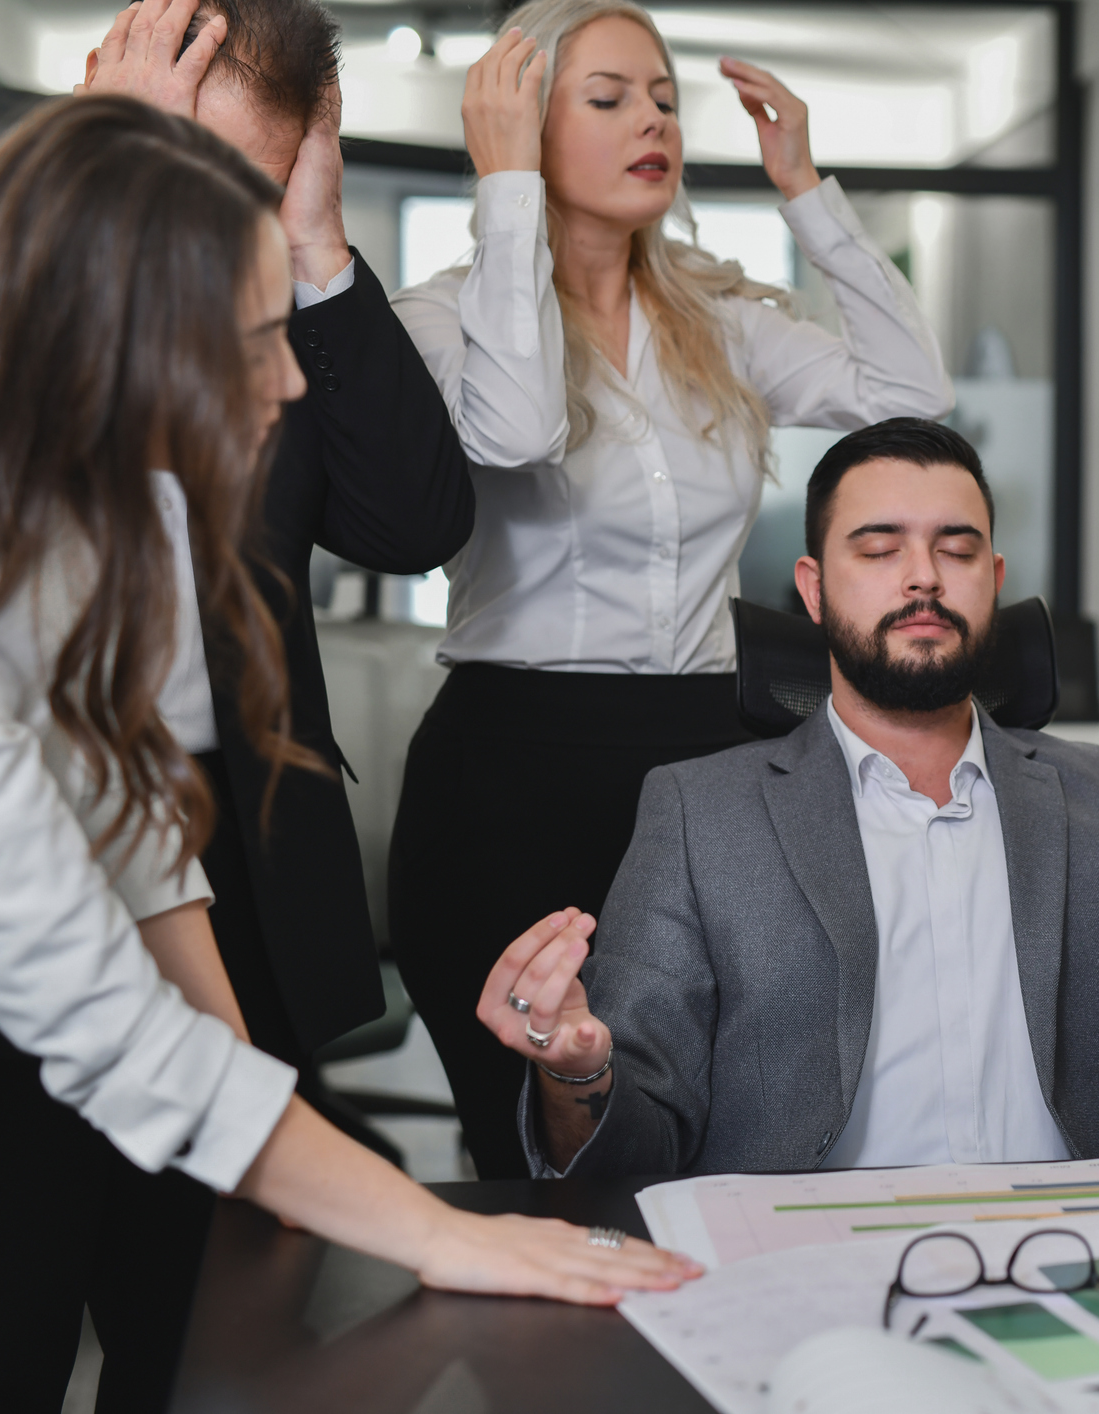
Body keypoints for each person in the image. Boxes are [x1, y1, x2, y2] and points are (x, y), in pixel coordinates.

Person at [0, 97, 696, 1414]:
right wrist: (443, 1231)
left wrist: (265, 1110)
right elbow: (109, 1028)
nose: (286, 380)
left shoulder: (141, 506)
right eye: (259, 338)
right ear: (126, 347)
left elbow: (149, 851)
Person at [388, 0, 954, 1178]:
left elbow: (911, 394)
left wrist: (806, 191)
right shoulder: (441, 319)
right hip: (507, 776)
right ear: (523, 128)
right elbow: (518, 427)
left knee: (707, 1133)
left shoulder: (721, 322)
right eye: (607, 99)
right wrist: (506, 195)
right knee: (533, 1144)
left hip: (703, 769)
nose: (652, 119)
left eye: (662, 97)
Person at [472, 420, 1099, 1177]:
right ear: (815, 588)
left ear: (992, 582)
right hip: (804, 1270)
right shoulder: (699, 816)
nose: (924, 576)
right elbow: (632, 1150)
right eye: (878, 549)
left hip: (1070, 1257)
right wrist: (575, 1073)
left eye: (956, 550)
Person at [79, 0, 473, 1118]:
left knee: (240, 1242)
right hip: (38, 818)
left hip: (242, 845)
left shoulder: (281, 327)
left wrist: (315, 241)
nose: (212, 221)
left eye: (247, 186)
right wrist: (103, 199)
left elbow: (416, 527)